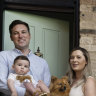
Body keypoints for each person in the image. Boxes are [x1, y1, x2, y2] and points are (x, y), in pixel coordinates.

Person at [0, 20, 51, 96]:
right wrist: (26, 93)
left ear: (29, 35)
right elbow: (1, 83)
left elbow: (46, 86)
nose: (20, 36)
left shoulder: (43, 62)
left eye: (23, 32)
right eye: (16, 33)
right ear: (11, 37)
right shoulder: (3, 56)